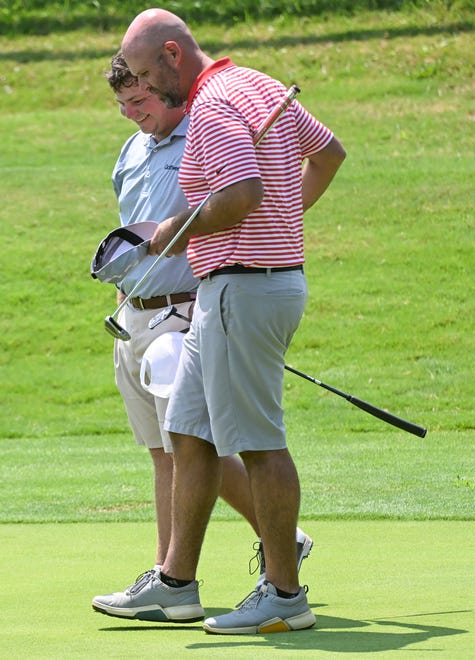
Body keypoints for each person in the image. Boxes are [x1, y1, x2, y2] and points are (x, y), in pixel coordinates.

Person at [120, 8, 346, 635]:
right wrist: (286, 214)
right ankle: (175, 584)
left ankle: (283, 592)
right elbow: (328, 154)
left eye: (145, 73)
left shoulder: (215, 103)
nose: (146, 87)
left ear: (172, 53)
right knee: (188, 432)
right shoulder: (258, 85)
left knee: (258, 442)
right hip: (244, 287)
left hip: (241, 289)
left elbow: (241, 193)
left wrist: (174, 231)